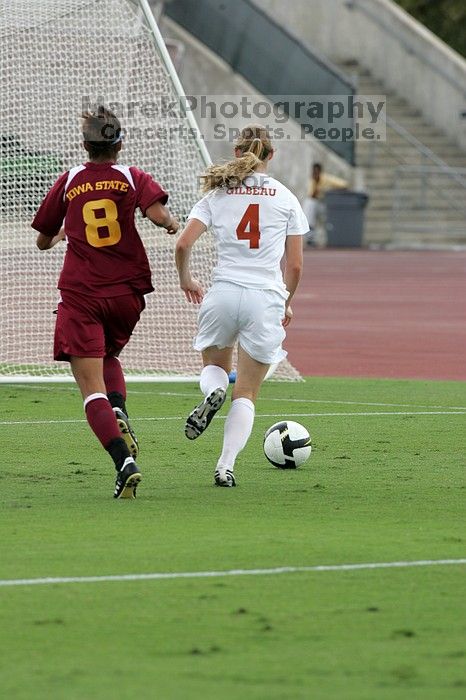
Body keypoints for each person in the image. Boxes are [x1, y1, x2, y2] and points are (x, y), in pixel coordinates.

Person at [32, 106, 179, 499]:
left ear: (85, 145)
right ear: (120, 144)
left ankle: (122, 461)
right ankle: (120, 411)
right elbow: (158, 214)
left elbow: (42, 239)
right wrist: (171, 223)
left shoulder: (71, 180)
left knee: (89, 387)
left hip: (82, 294)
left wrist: (62, 233)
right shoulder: (132, 176)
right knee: (109, 354)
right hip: (127, 294)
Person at [175, 124, 308, 487]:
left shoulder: (217, 194)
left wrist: (187, 279)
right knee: (246, 392)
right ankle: (225, 466)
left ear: (237, 153)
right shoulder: (285, 197)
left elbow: (184, 244)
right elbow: (294, 266)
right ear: (271, 155)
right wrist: (286, 302)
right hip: (264, 298)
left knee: (215, 369)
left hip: (224, 293)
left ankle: (211, 392)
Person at [302, 162, 348, 245]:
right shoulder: (312, 181)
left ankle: (336, 237)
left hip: (329, 206)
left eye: (317, 171)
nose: (315, 173)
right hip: (319, 206)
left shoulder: (327, 179)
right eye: (314, 172)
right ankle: (310, 236)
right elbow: (311, 196)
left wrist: (331, 191)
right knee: (309, 203)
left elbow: (344, 185)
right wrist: (316, 185)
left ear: (320, 171)